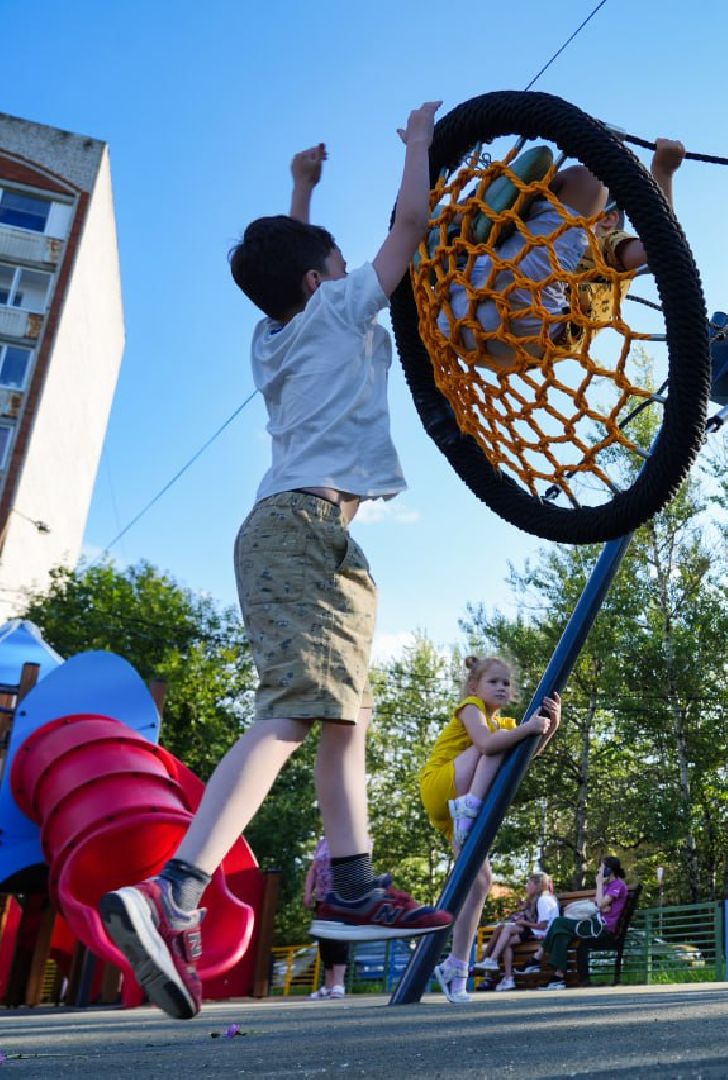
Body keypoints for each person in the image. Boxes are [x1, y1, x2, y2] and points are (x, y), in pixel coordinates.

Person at [98, 104, 453, 1022]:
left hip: (301, 534)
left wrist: (300, 190)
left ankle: (350, 883)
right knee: (297, 712)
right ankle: (179, 885)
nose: (351, 269)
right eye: (336, 260)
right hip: (303, 529)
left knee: (343, 713)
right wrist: (417, 145)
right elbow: (408, 228)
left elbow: (287, 264)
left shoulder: (273, 332)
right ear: (318, 277)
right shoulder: (337, 304)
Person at [438, 138, 686, 369]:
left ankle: (466, 221)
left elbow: (656, 250)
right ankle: (463, 225)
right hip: (477, 326)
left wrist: (662, 172)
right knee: (488, 244)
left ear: (608, 219)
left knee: (586, 180)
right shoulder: (529, 241)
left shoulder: (608, 242)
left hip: (526, 316)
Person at [417, 657, 562, 1002]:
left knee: (480, 882)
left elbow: (522, 757)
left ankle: (456, 967)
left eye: (506, 684)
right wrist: (526, 729)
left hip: (456, 810)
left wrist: (550, 726)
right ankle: (470, 808)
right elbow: (485, 745)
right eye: (493, 681)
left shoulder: (507, 723)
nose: (501, 688)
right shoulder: (471, 708)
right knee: (499, 741)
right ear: (473, 687)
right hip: (442, 787)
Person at [538, 856, 630, 990]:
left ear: (609, 870)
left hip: (602, 928)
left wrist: (599, 885)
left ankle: (539, 955)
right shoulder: (608, 886)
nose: (598, 870)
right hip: (594, 924)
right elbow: (601, 905)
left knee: (559, 922)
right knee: (561, 934)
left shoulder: (618, 885)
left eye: (601, 868)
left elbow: (599, 904)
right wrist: (603, 905)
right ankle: (558, 977)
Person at [474, 871, 558, 991]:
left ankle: (490, 962)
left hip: (539, 934)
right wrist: (523, 910)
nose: (527, 886)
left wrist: (524, 922)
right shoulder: (540, 898)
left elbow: (543, 926)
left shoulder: (543, 900)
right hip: (534, 931)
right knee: (504, 937)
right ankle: (506, 977)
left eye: (529, 884)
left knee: (506, 929)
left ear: (537, 885)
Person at [302, 836, 347, 1000]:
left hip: (342, 899)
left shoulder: (351, 838)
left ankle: (339, 984)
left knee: (339, 940)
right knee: (325, 942)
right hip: (322, 899)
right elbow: (313, 869)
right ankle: (328, 986)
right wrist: (308, 892)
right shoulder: (323, 842)